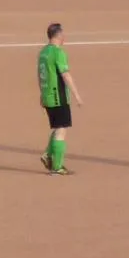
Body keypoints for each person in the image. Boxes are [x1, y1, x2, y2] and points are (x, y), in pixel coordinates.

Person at [36, 22, 81, 175]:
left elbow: (40, 75)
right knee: (61, 130)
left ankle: (47, 154)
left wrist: (42, 94)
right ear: (59, 35)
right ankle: (57, 167)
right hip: (58, 96)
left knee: (57, 127)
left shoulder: (43, 53)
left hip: (47, 96)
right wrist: (76, 94)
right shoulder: (58, 53)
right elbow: (65, 74)